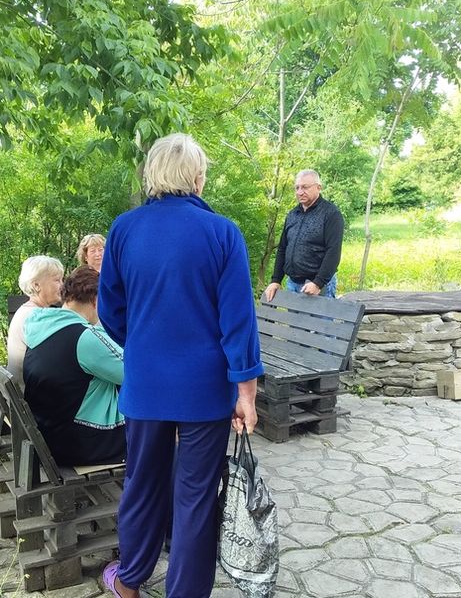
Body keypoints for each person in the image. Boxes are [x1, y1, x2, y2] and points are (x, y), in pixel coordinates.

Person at [98, 133, 263, 598]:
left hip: (146, 386)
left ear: (152, 175)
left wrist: (146, 346)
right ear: (197, 177)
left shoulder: (124, 230)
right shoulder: (221, 233)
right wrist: (245, 393)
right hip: (204, 391)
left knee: (142, 483)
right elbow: (238, 321)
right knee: (194, 498)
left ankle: (129, 581)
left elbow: (111, 309)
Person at [23, 266, 125, 465]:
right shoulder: (85, 338)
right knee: (157, 422)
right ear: (97, 301)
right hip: (80, 444)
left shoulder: (41, 325)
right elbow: (135, 374)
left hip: (49, 435)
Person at [264, 169, 344, 302]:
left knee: (320, 323)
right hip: (293, 284)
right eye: (297, 187)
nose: (300, 192)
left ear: (318, 187)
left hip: (318, 286)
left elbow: (333, 252)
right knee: (295, 323)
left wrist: (318, 283)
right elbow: (283, 248)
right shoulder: (293, 214)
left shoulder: (331, 214)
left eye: (305, 187)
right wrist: (276, 280)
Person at [6, 255, 64, 390]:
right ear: (36, 285)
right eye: (57, 280)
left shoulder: (27, 310)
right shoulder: (36, 317)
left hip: (21, 394)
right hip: (31, 399)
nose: (62, 285)